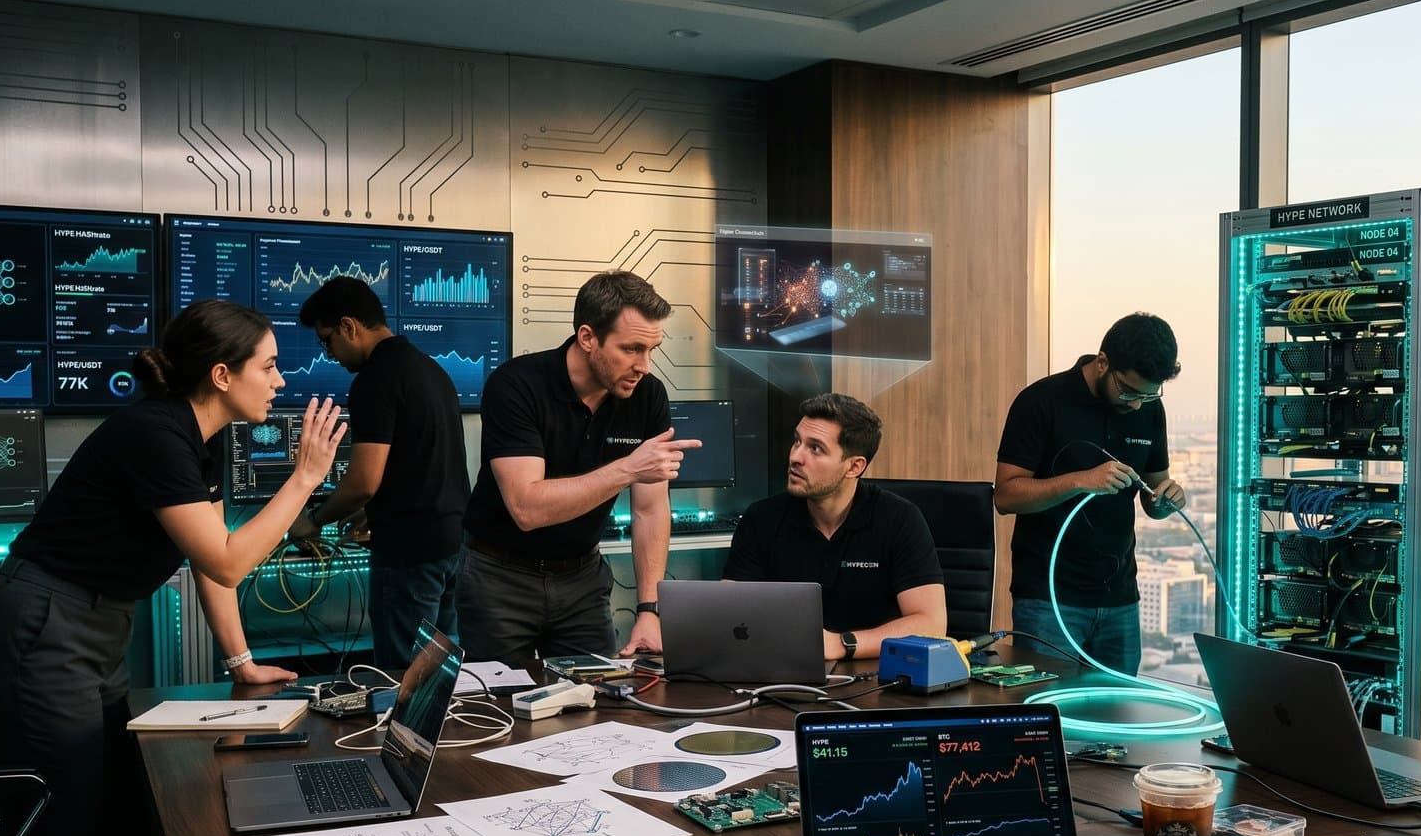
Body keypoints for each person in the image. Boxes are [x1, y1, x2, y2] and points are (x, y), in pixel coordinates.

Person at [0, 300, 343, 836]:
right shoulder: (155, 434)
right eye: (269, 365)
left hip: (92, 632)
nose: (281, 379)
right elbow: (229, 557)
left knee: (122, 819)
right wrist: (305, 477)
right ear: (222, 374)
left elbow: (210, 559)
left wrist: (240, 661)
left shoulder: (196, 440)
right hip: (41, 634)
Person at [456, 270, 697, 663]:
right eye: (632, 349)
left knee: (599, 693)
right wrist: (627, 469)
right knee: (499, 696)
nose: (644, 366)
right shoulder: (516, 385)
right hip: (499, 579)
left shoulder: (647, 395)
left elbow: (650, 509)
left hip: (582, 580)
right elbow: (527, 508)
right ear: (588, 338)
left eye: (652, 349)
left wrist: (649, 611)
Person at [286, 277, 468, 669]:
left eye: (327, 340)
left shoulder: (374, 380)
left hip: (408, 556)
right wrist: (373, 512)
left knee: (403, 676)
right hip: (452, 546)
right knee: (442, 675)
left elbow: (363, 482)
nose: (329, 354)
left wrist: (312, 521)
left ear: (349, 326)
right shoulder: (431, 370)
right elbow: (421, 462)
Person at [994, 312, 1186, 673]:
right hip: (1049, 598)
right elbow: (1005, 496)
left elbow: (1154, 495)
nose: (1135, 403)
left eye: (1148, 395)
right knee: (1050, 705)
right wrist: (1081, 481)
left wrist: (1167, 500)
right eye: (1128, 391)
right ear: (1102, 362)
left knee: (1117, 708)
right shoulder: (1041, 401)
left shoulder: (1148, 408)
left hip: (1120, 598)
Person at [723, 393, 946, 661]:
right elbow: (729, 612)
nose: (795, 456)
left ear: (854, 466)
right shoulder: (761, 518)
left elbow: (931, 624)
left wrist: (842, 644)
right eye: (797, 441)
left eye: (815, 448)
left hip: (875, 675)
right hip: (782, 667)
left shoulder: (900, 519)